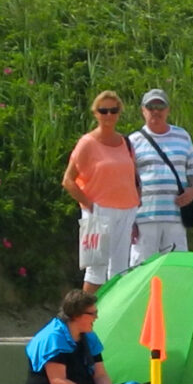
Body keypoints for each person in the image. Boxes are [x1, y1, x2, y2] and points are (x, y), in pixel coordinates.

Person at [25, 289, 141, 384]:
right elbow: (58, 382)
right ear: (76, 315)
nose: (96, 317)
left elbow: (100, 374)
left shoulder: (89, 336)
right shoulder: (53, 337)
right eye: (92, 313)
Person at [63, 90, 139, 289]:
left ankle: (114, 316)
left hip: (127, 209)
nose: (108, 115)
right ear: (95, 113)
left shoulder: (126, 142)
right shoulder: (87, 143)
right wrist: (89, 205)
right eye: (103, 111)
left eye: (113, 111)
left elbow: (131, 176)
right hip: (98, 211)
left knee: (120, 270)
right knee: (95, 269)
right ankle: (85, 316)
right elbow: (68, 180)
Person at [127, 87, 193, 267]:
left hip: (176, 217)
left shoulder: (182, 136)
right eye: (150, 107)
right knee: (142, 270)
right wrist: (130, 220)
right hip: (144, 217)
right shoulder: (132, 141)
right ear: (143, 110)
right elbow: (127, 183)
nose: (155, 111)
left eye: (160, 107)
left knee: (177, 268)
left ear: (168, 110)